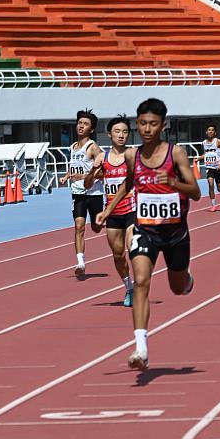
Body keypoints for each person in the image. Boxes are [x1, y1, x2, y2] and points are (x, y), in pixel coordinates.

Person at [96, 98, 201, 371]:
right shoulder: (132, 156)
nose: (147, 129)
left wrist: (174, 183)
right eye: (142, 123)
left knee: (177, 287)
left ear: (163, 126)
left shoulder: (175, 154)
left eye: (153, 124)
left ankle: (186, 278)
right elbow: (128, 184)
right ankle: (141, 349)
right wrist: (107, 211)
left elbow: (196, 193)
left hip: (175, 231)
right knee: (141, 281)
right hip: (145, 229)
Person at [85, 115, 135, 307]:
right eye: (117, 131)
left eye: (125, 132)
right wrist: (93, 170)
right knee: (117, 255)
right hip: (113, 214)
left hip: (132, 210)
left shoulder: (132, 155)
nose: (121, 135)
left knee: (133, 249)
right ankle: (128, 287)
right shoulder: (102, 158)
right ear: (109, 134)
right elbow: (88, 185)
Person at [59, 109, 104, 278]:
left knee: (96, 227)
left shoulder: (93, 148)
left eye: (85, 124)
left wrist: (86, 176)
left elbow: (103, 171)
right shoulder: (73, 147)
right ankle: (80, 262)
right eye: (79, 123)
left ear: (91, 129)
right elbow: (73, 168)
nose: (81, 126)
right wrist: (66, 176)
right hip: (77, 193)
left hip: (94, 194)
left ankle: (105, 218)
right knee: (79, 226)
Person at [195, 124, 220, 211]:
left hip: (218, 167)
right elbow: (206, 154)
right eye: (209, 130)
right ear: (206, 132)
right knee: (210, 184)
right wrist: (199, 158)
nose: (210, 131)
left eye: (212, 130)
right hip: (209, 167)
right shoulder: (204, 143)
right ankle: (213, 205)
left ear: (215, 132)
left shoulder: (218, 142)